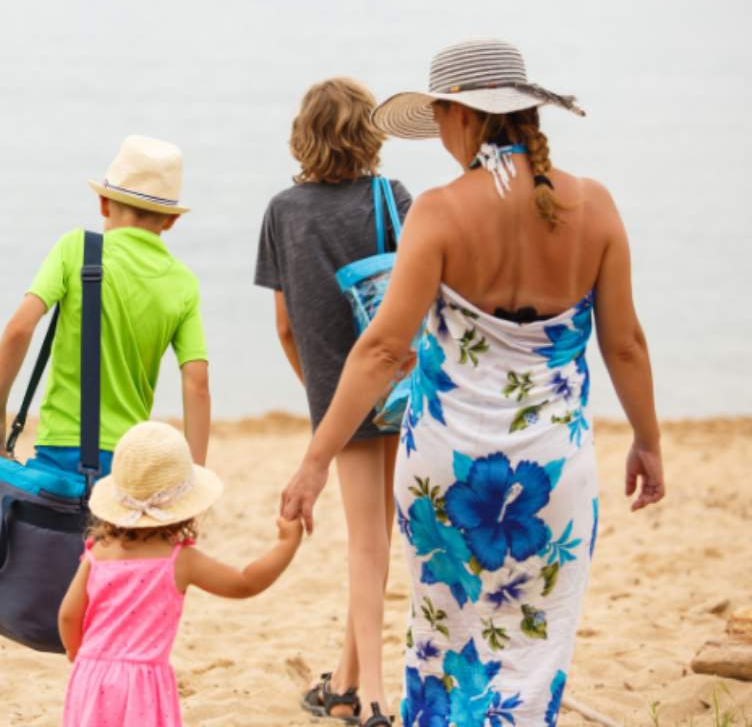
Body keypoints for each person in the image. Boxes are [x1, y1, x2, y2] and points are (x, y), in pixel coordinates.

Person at [280, 39, 665, 726]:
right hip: (553, 476)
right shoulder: (595, 206)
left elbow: (380, 352)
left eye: (439, 117)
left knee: (444, 652)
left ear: (462, 116)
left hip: (445, 478)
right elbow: (626, 345)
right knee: (531, 656)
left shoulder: (438, 211)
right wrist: (648, 441)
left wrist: (314, 463)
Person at [255, 77, 413, 724]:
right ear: (368, 132)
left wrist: (323, 395)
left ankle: (368, 695)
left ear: (305, 135)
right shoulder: (391, 196)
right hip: (401, 383)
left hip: (335, 393)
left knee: (365, 543)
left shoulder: (282, 212)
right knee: (377, 539)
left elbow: (286, 326)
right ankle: (347, 681)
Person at [0, 135, 212, 477]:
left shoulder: (75, 248)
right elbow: (196, 382)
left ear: (104, 204)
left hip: (60, 448)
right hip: (128, 459)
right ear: (170, 220)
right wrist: (196, 473)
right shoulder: (183, 282)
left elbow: (20, 328)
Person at [59, 421, 303, 726]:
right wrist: (286, 544)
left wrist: (76, 650)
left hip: (90, 675)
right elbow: (245, 583)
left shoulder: (97, 552)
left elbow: (68, 615)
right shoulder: (179, 560)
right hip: (141, 685)